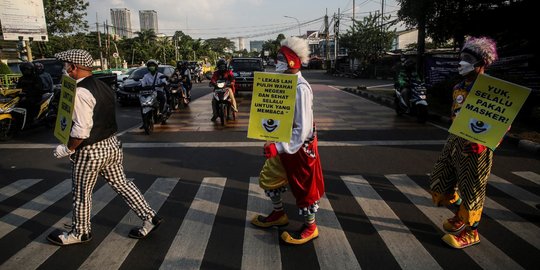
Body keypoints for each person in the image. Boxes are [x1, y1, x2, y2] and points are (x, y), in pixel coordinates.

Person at [47, 49, 162, 246]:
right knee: (123, 184)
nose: (64, 68)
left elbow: (81, 131)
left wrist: (67, 149)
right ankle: (150, 217)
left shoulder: (80, 92)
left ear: (74, 67)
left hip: (90, 151)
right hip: (111, 145)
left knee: (82, 193)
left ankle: (80, 233)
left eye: (66, 65)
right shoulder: (102, 86)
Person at [250, 37, 325, 245]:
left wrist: (278, 146)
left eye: (280, 58)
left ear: (292, 61)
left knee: (304, 188)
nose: (276, 62)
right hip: (282, 143)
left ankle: (310, 227)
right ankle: (278, 214)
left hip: (300, 148)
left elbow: (303, 129)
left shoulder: (300, 87)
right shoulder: (284, 82)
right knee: (269, 177)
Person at [429, 36, 499, 249]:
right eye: (462, 58)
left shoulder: (492, 91)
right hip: (454, 142)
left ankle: (471, 232)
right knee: (439, 185)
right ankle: (460, 215)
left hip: (477, 147)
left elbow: (503, 122)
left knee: (472, 191)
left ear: (482, 63)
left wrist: (486, 143)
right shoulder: (459, 86)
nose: (461, 62)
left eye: (467, 59)